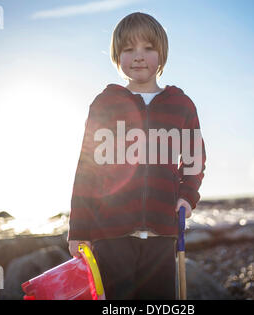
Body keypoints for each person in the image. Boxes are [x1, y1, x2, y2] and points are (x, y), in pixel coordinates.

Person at [67, 12, 206, 300]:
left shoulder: (181, 104)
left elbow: (193, 158)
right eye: (128, 49)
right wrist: (79, 229)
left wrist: (187, 195)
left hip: (162, 234)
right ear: (117, 57)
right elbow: (87, 170)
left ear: (162, 54)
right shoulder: (105, 104)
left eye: (148, 48)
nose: (138, 56)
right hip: (110, 233)